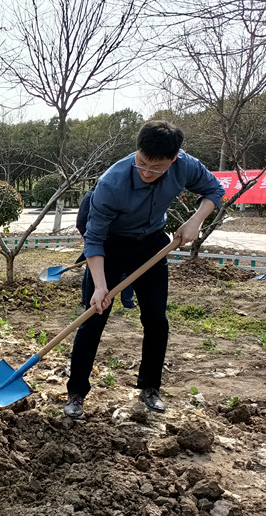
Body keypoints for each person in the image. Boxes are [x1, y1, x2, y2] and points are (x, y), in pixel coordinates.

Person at [64, 120, 224, 419]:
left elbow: (214, 190)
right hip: (111, 244)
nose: (148, 173)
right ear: (137, 152)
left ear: (174, 158)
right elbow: (94, 239)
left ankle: (150, 387)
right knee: (92, 318)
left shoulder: (185, 165)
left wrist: (195, 220)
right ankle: (76, 392)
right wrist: (100, 286)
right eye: (142, 164)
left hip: (152, 243)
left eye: (157, 168)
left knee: (156, 319)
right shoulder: (112, 183)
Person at [76, 188, 136, 309]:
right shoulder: (102, 195)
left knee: (90, 269)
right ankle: (128, 302)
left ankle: (85, 299)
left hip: (98, 239)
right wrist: (97, 245)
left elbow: (81, 223)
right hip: (103, 240)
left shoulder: (92, 194)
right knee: (125, 272)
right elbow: (82, 223)